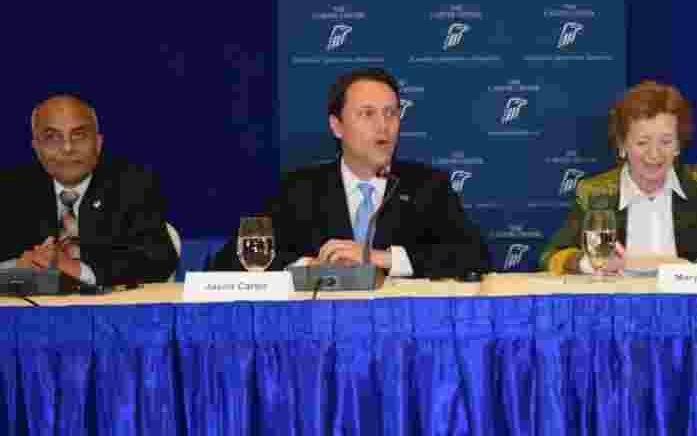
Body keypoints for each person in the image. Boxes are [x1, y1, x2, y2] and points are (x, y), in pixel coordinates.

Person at [210, 67, 491, 277]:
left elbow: (474, 257)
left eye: (391, 113)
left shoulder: (428, 186)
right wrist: (309, 266)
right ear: (337, 126)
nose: (383, 126)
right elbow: (231, 261)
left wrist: (382, 258)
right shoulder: (299, 189)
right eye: (367, 114)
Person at [540, 80, 697, 274]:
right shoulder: (595, 192)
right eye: (642, 142)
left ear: (678, 145)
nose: (655, 154)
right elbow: (551, 257)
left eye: (666, 142)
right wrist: (589, 263)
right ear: (622, 145)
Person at [0, 94, 178, 286]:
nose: (67, 148)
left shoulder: (134, 186)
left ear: (98, 143)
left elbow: (159, 260)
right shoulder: (9, 191)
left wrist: (77, 269)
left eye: (79, 135)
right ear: (36, 147)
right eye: (52, 137)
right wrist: (15, 268)